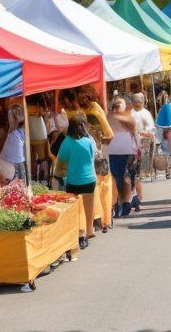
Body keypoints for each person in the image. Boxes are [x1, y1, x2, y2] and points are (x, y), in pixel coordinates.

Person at [57, 120, 98, 249]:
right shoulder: (89, 141)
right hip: (89, 179)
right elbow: (93, 156)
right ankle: (89, 232)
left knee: (73, 210)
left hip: (73, 181)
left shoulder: (66, 142)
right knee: (88, 209)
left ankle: (77, 233)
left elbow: (61, 164)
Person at [105, 96, 139, 218]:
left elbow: (133, 127)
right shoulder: (109, 117)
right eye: (118, 104)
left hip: (127, 151)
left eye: (121, 104)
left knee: (125, 178)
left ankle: (126, 202)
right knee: (117, 179)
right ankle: (121, 202)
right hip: (114, 152)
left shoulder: (128, 117)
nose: (120, 106)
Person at [130, 92, 157, 211]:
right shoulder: (130, 112)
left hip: (143, 145)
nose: (138, 101)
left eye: (140, 99)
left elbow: (151, 130)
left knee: (138, 173)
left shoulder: (146, 113)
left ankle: (137, 198)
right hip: (131, 145)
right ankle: (134, 197)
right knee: (133, 173)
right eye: (136, 100)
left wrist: (141, 133)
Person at [0, 104, 27, 182]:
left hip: (13, 159)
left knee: (17, 180)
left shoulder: (15, 130)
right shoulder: (15, 130)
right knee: (19, 181)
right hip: (14, 159)